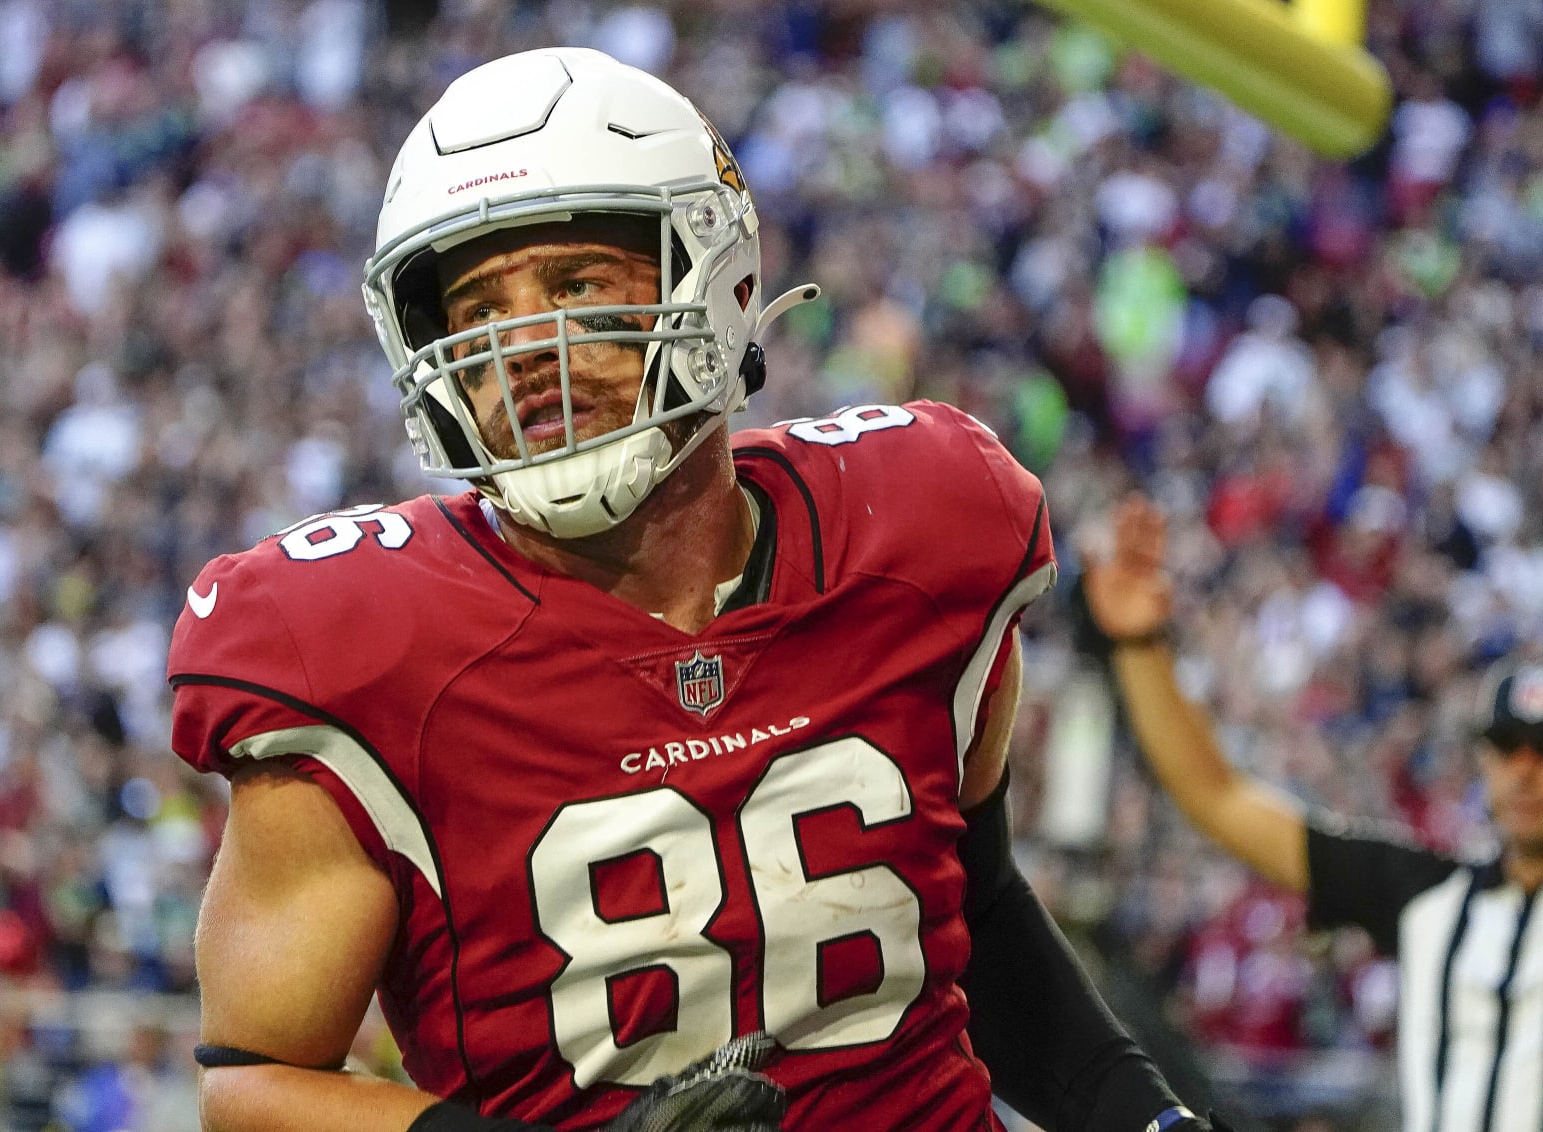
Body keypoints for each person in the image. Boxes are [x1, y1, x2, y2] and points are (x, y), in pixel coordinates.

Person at [168, 47, 1209, 1132]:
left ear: (719, 281)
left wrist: (1146, 1117)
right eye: (478, 309)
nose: (525, 348)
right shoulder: (353, 643)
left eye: (574, 285)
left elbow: (975, 907)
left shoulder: (923, 527)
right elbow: (251, 1086)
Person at [1080, 495, 1543, 1132]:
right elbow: (1219, 798)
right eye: (1506, 749)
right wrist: (1138, 646)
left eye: (1541, 752)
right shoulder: (1430, 898)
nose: (1524, 772)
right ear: (1483, 762)